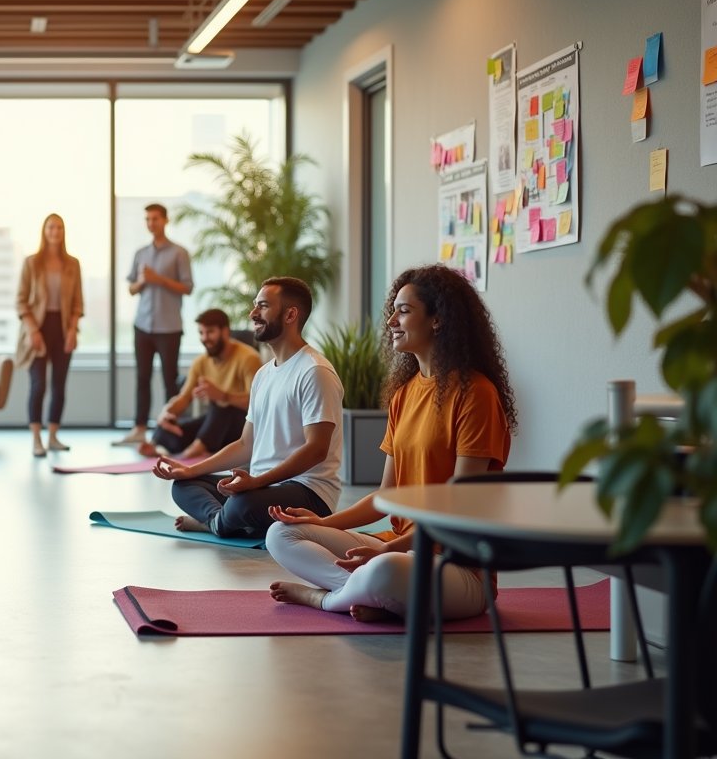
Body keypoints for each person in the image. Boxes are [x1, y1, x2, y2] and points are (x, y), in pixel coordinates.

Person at [265, 264, 516, 623]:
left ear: (437, 320)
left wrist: (387, 551)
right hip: (397, 547)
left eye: (404, 311)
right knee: (281, 534)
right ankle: (369, 594)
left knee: (385, 569)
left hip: (457, 567)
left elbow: (459, 507)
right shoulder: (404, 395)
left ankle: (326, 599)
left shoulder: (476, 394)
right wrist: (325, 521)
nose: (391, 321)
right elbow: (386, 495)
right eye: (393, 311)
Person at [153, 277, 343, 541]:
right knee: (183, 485)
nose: (253, 313)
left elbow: (316, 449)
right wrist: (190, 470)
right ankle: (223, 521)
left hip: (308, 492)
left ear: (290, 315)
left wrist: (257, 482)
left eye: (263, 306)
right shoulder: (263, 375)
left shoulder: (314, 371)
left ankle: (215, 522)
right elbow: (245, 444)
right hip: (260, 487)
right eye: (255, 305)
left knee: (243, 503)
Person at [113, 203, 193, 446]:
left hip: (169, 327)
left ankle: (169, 431)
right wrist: (142, 282)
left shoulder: (179, 253)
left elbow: (187, 287)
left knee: (169, 380)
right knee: (142, 378)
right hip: (143, 326)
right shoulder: (140, 253)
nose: (151, 223)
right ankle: (139, 429)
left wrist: (159, 279)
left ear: (165, 220)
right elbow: (131, 288)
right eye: (147, 219)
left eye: (155, 219)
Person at [137, 308, 261, 459]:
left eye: (210, 332)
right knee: (170, 422)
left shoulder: (249, 358)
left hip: (243, 426)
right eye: (201, 333)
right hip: (215, 425)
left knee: (222, 408)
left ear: (225, 331)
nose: (204, 338)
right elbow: (184, 398)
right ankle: (160, 445)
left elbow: (257, 403)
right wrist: (167, 412)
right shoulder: (200, 362)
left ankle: (193, 451)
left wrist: (223, 396)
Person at [15, 213, 84, 458]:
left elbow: (78, 302)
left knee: (59, 385)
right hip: (37, 328)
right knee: (38, 385)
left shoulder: (72, 264)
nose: (55, 231)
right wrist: (33, 330)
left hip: (63, 328)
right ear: (44, 231)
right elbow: (21, 301)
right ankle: (36, 439)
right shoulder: (31, 263)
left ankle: (53, 436)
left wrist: (72, 330)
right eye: (51, 227)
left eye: (59, 227)